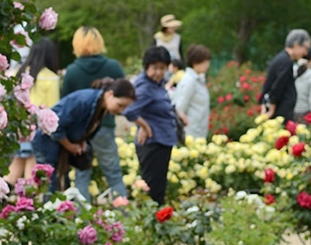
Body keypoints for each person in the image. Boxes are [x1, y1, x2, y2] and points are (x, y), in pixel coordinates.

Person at [31, 78, 137, 195]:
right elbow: (56, 128)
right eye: (120, 105)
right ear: (109, 94)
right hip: (46, 143)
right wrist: (70, 146)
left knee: (62, 186)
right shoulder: (83, 101)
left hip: (58, 147)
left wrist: (82, 142)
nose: (122, 110)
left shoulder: (101, 108)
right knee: (52, 185)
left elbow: (83, 129)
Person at [59, 27, 128, 201]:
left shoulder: (72, 71)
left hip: (79, 133)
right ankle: (125, 215)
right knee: (113, 173)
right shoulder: (113, 66)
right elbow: (126, 94)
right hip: (104, 126)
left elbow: (64, 103)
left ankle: (83, 220)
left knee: (82, 174)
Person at [124, 46, 180, 205]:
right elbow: (129, 111)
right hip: (152, 143)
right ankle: (151, 224)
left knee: (158, 188)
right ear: (146, 66)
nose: (158, 72)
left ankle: (157, 222)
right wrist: (145, 126)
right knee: (153, 191)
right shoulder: (145, 87)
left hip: (162, 140)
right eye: (155, 68)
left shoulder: (157, 84)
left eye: (162, 68)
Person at [8, 38, 63, 185]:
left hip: (16, 128)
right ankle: (25, 206)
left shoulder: (16, 73)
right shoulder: (51, 77)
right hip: (37, 131)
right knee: (30, 176)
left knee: (14, 170)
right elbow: (53, 108)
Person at [258, 29, 311, 122]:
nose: (305, 53)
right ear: (296, 44)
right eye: (305, 48)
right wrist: (272, 109)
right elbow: (278, 85)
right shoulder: (286, 61)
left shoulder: (281, 58)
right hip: (281, 114)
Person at [170, 44, 212, 142]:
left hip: (199, 132)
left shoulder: (198, 80)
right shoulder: (189, 81)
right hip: (190, 133)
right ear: (195, 62)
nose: (207, 65)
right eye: (205, 62)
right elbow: (180, 108)